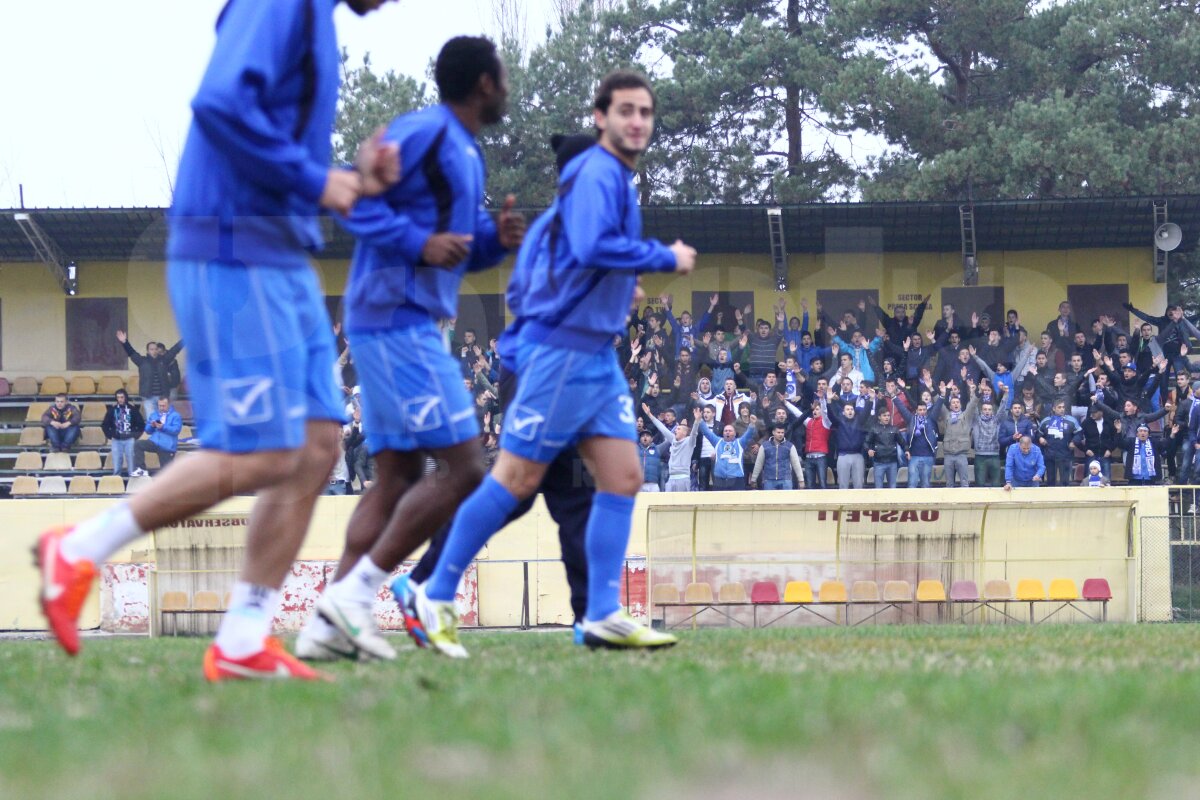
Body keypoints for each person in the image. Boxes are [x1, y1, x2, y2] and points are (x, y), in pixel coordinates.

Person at [35, 0, 401, 681]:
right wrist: (320, 179)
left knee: (318, 445)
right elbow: (221, 105)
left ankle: (241, 639)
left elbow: (276, 154)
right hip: (233, 251)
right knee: (266, 451)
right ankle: (79, 549)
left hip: (281, 256)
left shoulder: (317, 21)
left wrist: (346, 182)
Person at [410, 70, 696, 657]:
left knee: (623, 476)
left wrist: (615, 291)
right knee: (517, 481)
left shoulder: (609, 182)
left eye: (645, 111)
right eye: (625, 110)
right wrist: (663, 255)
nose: (637, 121)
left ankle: (603, 613)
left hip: (594, 353)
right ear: (601, 118)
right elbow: (590, 250)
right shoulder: (598, 173)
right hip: (563, 353)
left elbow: (566, 266)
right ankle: (432, 592)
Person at [296, 37, 524, 662]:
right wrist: (418, 244)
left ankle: (325, 625)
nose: (507, 87)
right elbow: (356, 202)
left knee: (397, 477)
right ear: (484, 83)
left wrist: (493, 241)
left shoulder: (466, 151)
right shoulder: (424, 132)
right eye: (503, 77)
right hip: (398, 317)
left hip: (399, 317)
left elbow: (455, 248)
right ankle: (352, 599)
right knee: (467, 468)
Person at [117, 330, 184, 422]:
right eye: (152, 349)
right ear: (148, 351)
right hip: (148, 397)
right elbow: (131, 352)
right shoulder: (141, 361)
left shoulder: (164, 360)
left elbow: (174, 350)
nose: (154, 351)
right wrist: (125, 342)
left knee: (163, 421)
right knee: (152, 421)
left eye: (156, 349)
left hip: (162, 397)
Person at [698, 418, 758, 490]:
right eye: (725, 431)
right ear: (723, 433)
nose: (727, 432)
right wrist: (699, 420)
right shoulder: (717, 441)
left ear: (735, 433)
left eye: (730, 431)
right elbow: (707, 432)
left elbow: (748, 435)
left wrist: (752, 424)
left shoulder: (740, 443)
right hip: (719, 480)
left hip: (736, 479)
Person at [132, 398, 183, 477]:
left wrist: (163, 427)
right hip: (154, 442)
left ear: (169, 405)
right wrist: (152, 426)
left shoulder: (176, 416)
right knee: (138, 444)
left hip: (167, 446)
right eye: (160, 406)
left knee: (167, 474)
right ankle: (141, 469)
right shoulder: (154, 414)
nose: (161, 408)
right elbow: (147, 431)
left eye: (163, 406)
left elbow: (176, 430)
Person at [100, 389, 145, 477]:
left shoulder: (133, 410)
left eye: (122, 397)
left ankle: (132, 480)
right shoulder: (112, 410)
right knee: (117, 464)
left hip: (129, 439)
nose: (120, 399)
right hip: (116, 440)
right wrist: (111, 435)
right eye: (118, 397)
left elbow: (141, 425)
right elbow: (105, 425)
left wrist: (134, 435)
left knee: (131, 464)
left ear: (125, 397)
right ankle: (116, 481)